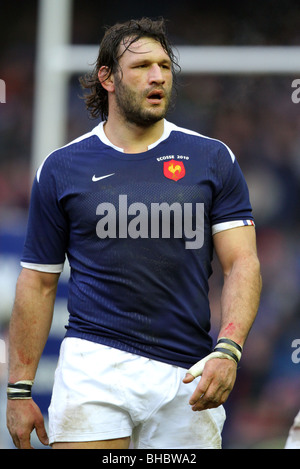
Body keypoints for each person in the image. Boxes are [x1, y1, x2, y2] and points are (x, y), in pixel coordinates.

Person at [6, 17, 262, 450]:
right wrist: (18, 390)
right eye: (142, 66)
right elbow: (38, 280)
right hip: (94, 365)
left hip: (186, 373)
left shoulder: (212, 158)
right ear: (107, 77)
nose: (158, 76)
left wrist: (229, 349)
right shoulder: (62, 167)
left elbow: (243, 262)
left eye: (164, 65)